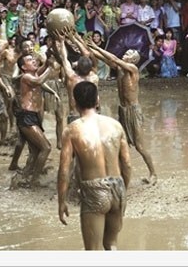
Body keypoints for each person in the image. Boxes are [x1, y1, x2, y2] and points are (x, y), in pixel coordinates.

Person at [57, 81, 132, 250]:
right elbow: (127, 164)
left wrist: (62, 201)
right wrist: (123, 190)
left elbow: (64, 170)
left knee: (93, 250)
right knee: (111, 245)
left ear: (74, 103)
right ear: (97, 100)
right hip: (118, 187)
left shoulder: (72, 130)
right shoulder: (116, 125)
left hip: (94, 190)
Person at [88, 40, 157, 184]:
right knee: (119, 142)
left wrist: (95, 46)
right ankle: (117, 174)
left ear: (133, 60)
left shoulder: (132, 69)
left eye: (130, 53)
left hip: (133, 111)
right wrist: (84, 45)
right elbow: (101, 57)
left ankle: (153, 173)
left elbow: (113, 58)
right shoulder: (119, 68)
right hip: (123, 110)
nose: (127, 52)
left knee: (139, 145)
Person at [15, 53, 55, 186]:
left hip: (32, 116)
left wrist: (50, 60)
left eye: (33, 59)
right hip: (27, 117)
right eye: (29, 60)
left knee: (36, 151)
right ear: (23, 67)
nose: (33, 61)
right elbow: (39, 81)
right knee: (46, 147)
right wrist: (50, 68)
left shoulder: (35, 72)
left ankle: (23, 178)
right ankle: (34, 180)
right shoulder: (26, 77)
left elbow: (44, 67)